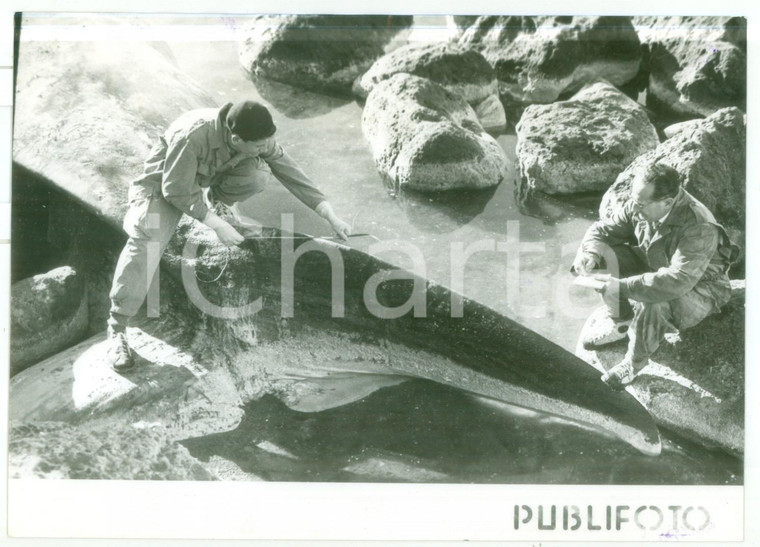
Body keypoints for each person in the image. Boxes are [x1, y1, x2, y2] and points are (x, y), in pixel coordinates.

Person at [107, 100, 351, 370]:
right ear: (235, 138)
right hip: (164, 182)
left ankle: (217, 200)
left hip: (207, 176)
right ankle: (116, 328)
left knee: (257, 174)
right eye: (259, 146)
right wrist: (215, 224)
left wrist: (328, 213)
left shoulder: (256, 136)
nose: (265, 148)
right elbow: (174, 189)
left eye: (267, 142)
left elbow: (288, 169)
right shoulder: (192, 136)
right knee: (148, 239)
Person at [572, 163, 737, 390]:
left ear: (667, 203)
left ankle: (633, 362)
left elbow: (676, 281)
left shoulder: (700, 226)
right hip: (657, 266)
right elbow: (601, 230)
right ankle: (621, 322)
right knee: (602, 256)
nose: (634, 208)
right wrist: (590, 254)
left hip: (700, 288)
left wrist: (621, 286)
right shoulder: (642, 203)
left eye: (640, 204)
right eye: (634, 199)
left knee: (655, 301)